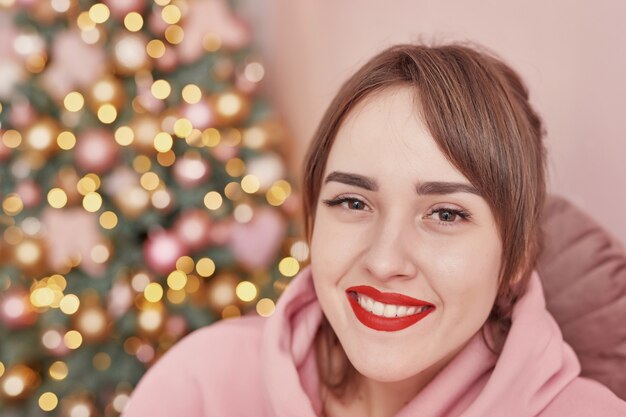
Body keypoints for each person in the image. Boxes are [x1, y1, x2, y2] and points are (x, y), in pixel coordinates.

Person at [122, 43, 626, 417]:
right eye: (353, 201)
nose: (385, 261)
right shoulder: (200, 387)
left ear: (515, 259)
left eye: (446, 214)